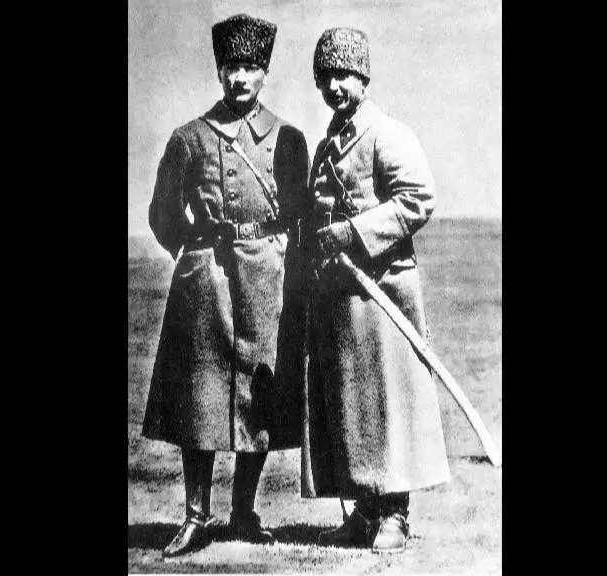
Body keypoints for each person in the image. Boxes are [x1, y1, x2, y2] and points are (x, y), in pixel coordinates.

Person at [141, 13, 309, 557]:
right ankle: (195, 516)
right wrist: (194, 253)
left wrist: (278, 258)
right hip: (205, 280)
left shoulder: (289, 139)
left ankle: (243, 512)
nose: (240, 77)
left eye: (251, 67)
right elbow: (163, 214)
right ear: (218, 71)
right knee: (201, 394)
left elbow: (299, 213)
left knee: (259, 392)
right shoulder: (188, 138)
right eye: (231, 67)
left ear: (265, 73)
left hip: (266, 276)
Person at [300, 27, 451, 554]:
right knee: (353, 409)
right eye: (326, 77)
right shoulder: (328, 143)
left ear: (364, 78)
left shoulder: (387, 134)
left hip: (384, 294)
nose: (335, 86)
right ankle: (363, 512)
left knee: (390, 406)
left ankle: (395, 514)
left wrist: (351, 234)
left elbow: (418, 198)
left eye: (345, 75)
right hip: (342, 299)